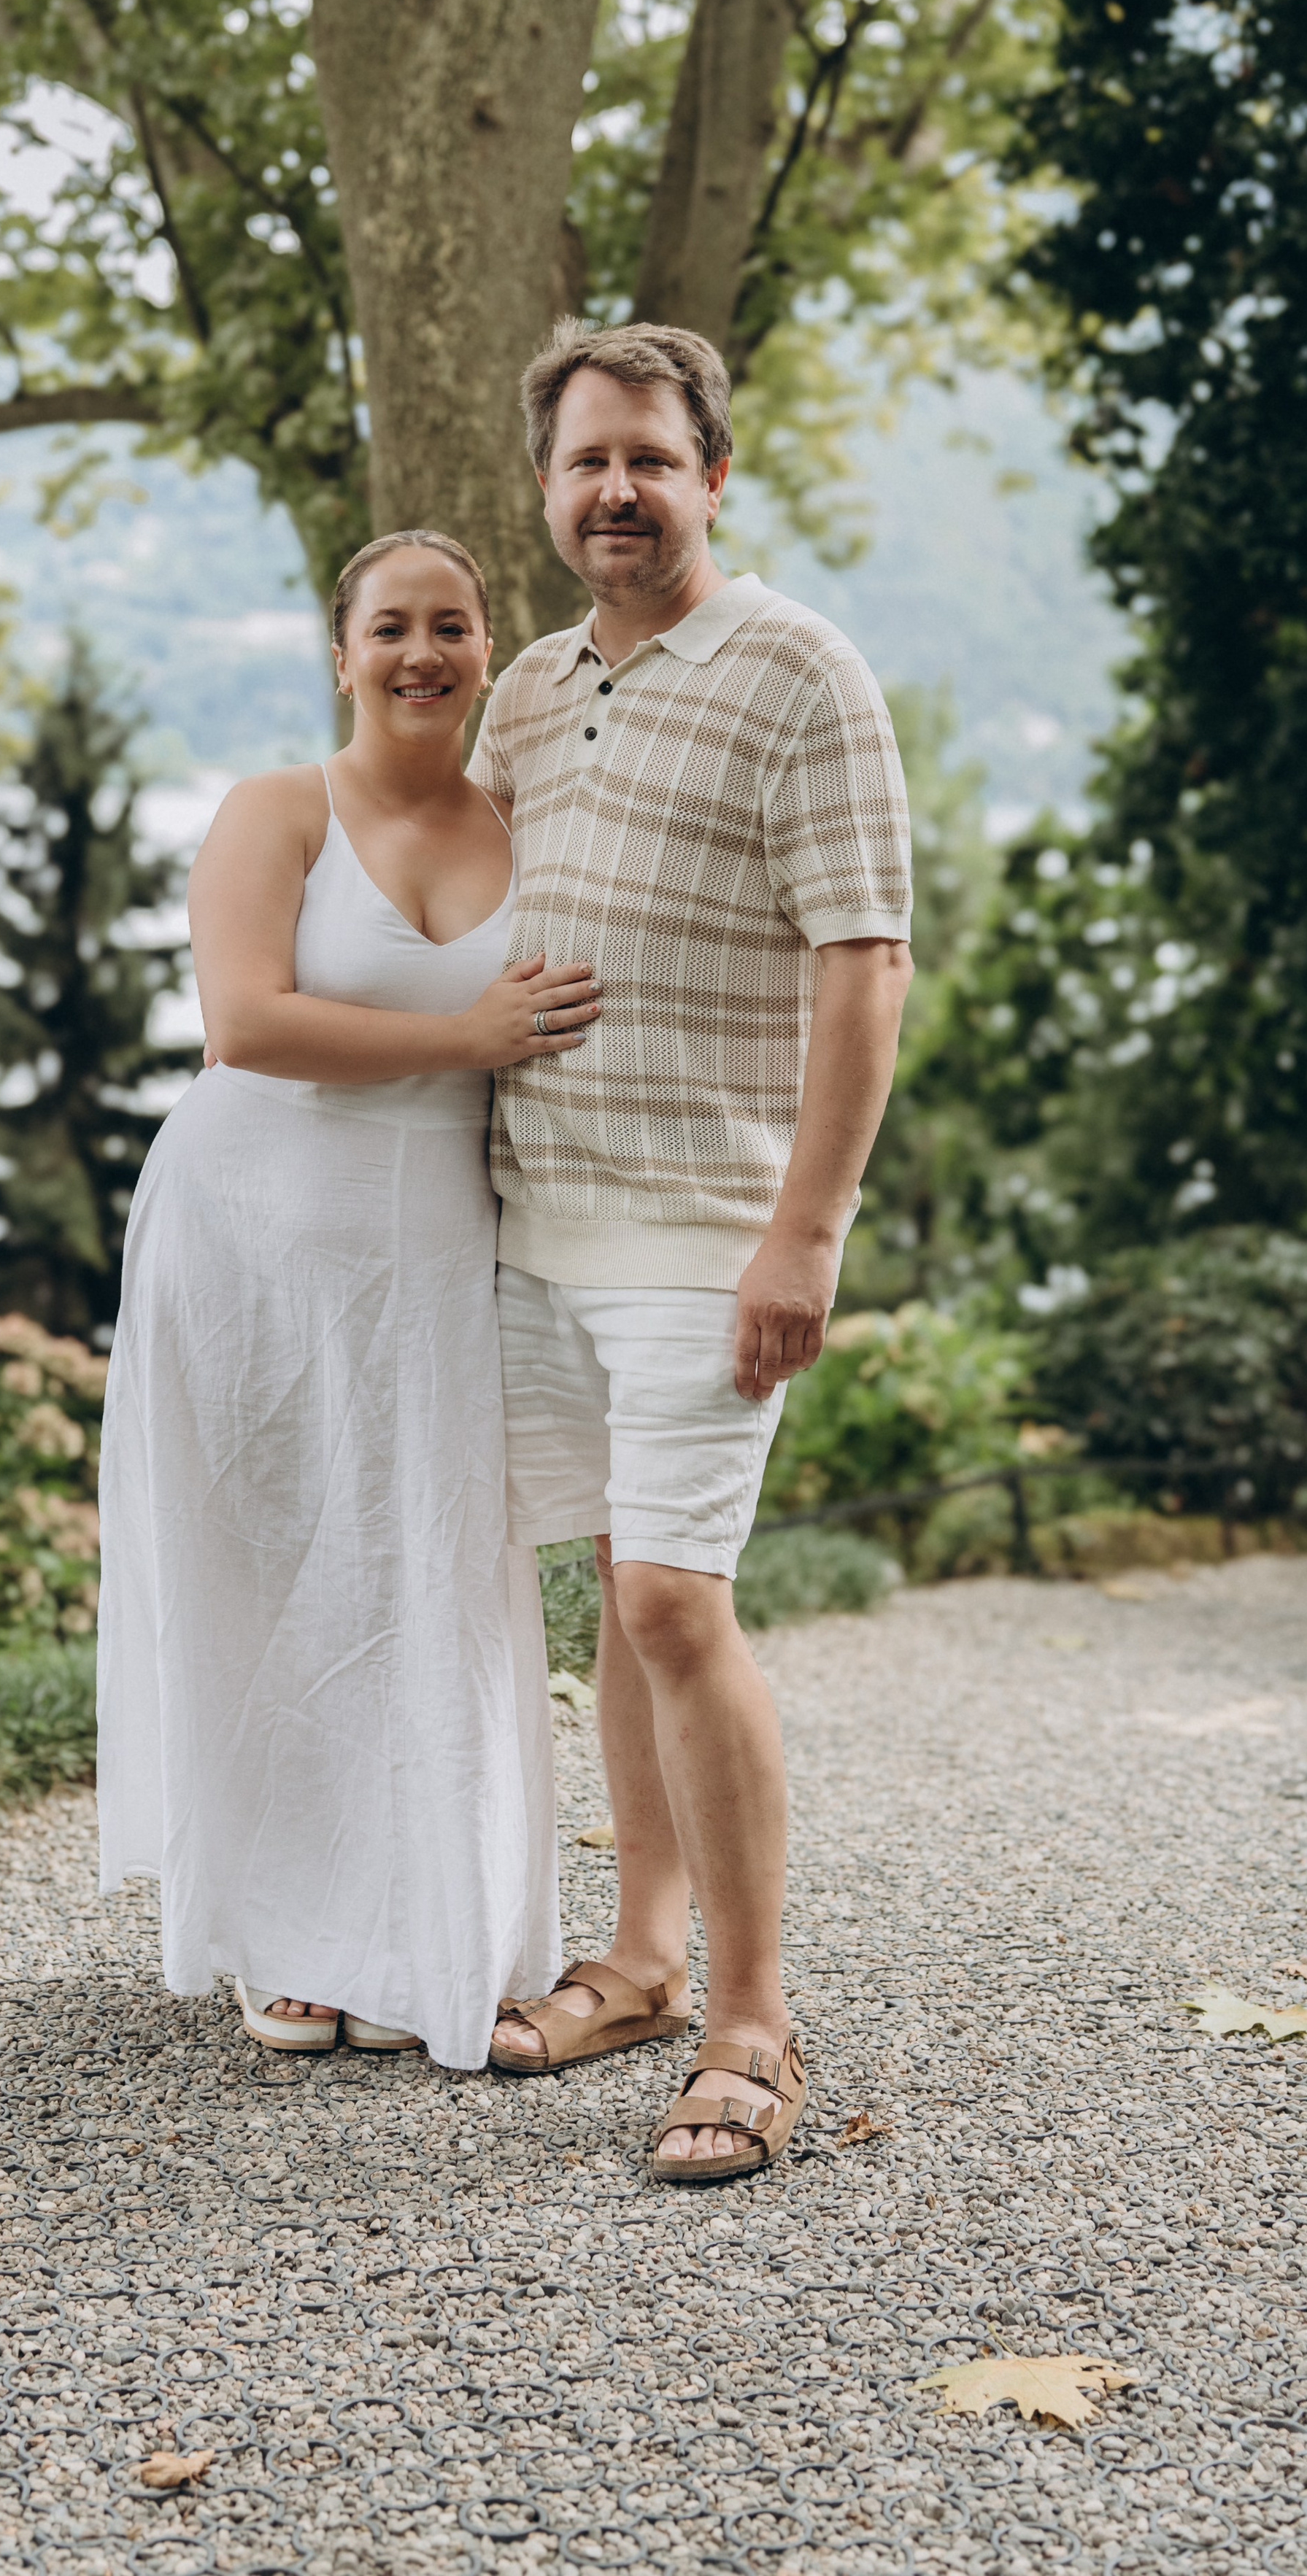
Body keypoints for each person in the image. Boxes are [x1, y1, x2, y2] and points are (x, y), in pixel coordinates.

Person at [477, 320, 913, 2184]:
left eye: (650, 458)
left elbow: (863, 956)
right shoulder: (521, 690)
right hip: (533, 1226)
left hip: (705, 1231)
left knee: (674, 1602)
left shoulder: (802, 672)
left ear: (711, 476)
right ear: (548, 489)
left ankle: (751, 2022)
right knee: (606, 1594)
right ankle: (642, 1961)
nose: (616, 492)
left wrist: (801, 1231)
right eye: (585, 462)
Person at [95, 530, 596, 2071]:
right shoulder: (276, 813)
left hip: (433, 1245)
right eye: (391, 627)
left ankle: (415, 1924)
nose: (421, 654)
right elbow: (245, 1023)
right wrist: (469, 1039)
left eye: (450, 626)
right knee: (267, 1573)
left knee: (418, 1572)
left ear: (485, 644)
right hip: (249, 1234)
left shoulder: (527, 824)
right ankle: (279, 1934)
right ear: (341, 651)